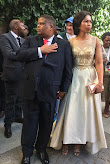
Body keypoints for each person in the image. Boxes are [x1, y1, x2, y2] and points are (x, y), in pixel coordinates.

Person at [16, 14, 72, 164]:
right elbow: (19, 55)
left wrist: (63, 89)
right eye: (38, 24)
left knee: (46, 123)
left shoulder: (64, 45)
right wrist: (41, 50)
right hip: (30, 90)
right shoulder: (31, 41)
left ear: (51, 27)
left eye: (41, 24)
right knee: (29, 123)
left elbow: (67, 70)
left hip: (50, 92)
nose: (37, 26)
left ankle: (41, 149)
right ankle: (26, 153)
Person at [50, 10, 107, 156]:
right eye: (86, 21)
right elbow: (65, 64)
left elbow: (99, 62)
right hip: (74, 78)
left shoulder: (95, 40)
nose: (89, 24)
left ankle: (79, 141)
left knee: (86, 111)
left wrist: (100, 82)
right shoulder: (70, 42)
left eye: (90, 22)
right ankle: (66, 140)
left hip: (90, 78)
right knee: (70, 109)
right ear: (79, 23)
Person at [0, 19, 25, 138]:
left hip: (23, 74)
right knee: (10, 101)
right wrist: (25, 55)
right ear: (16, 26)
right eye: (21, 25)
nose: (24, 26)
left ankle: (18, 116)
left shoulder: (23, 39)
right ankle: (8, 125)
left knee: (20, 98)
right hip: (11, 75)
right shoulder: (5, 37)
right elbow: (9, 54)